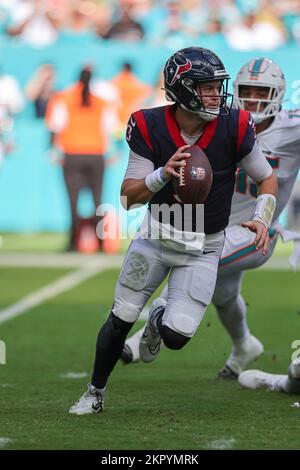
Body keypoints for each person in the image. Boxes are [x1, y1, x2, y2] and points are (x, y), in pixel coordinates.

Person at [69, 47, 277, 415]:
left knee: (176, 337)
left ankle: (158, 320)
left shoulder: (235, 124)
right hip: (156, 237)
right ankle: (94, 392)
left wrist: (262, 217)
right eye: (207, 87)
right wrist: (162, 174)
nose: (216, 94)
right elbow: (129, 198)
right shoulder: (148, 124)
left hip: (204, 246)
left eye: (218, 86)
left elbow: (266, 178)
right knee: (121, 317)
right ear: (181, 89)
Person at [121, 57, 300, 375]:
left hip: (255, 230)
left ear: (278, 94)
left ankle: (150, 327)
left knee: (189, 260)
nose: (255, 100)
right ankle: (245, 345)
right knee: (224, 294)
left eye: (263, 93)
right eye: (248, 91)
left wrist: (264, 217)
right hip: (214, 226)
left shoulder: (292, 129)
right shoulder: (224, 123)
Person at [45, 65, 109, 251]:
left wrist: (52, 151)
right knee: (97, 199)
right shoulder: (102, 101)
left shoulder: (63, 98)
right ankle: (100, 243)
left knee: (72, 200)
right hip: (96, 153)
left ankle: (73, 242)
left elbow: (55, 126)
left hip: (72, 153)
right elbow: (111, 128)